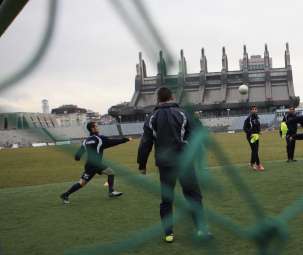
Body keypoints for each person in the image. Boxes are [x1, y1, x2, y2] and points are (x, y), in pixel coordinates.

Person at [137, 86, 209, 243]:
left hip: (165, 164)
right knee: (193, 196)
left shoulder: (151, 118)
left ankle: (168, 233)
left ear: (158, 99)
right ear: (172, 97)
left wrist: (142, 165)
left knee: (167, 198)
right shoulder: (183, 113)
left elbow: (145, 143)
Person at [60, 121, 130, 204]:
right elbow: (112, 142)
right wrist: (124, 140)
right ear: (92, 129)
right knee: (110, 172)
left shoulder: (85, 141)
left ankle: (65, 194)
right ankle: (111, 192)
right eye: (96, 126)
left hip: (89, 165)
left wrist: (77, 157)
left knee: (82, 183)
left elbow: (78, 156)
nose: (98, 127)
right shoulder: (99, 138)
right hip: (95, 164)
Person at [243, 105, 264, 171]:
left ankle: (255, 164)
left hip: (256, 136)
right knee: (255, 150)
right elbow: (244, 128)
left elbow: (258, 126)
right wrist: (250, 133)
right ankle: (257, 164)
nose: (254, 110)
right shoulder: (248, 118)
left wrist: (259, 131)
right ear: (251, 110)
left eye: (255, 109)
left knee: (255, 150)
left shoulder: (257, 118)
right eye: (253, 109)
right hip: (250, 136)